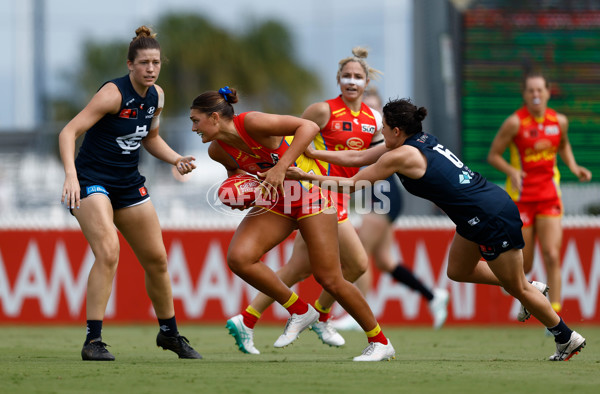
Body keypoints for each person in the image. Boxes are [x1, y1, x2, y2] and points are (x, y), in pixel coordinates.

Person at [287, 98, 586, 361]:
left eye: (383, 128)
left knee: (515, 286)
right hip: (477, 212)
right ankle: (532, 288)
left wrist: (306, 176)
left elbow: (354, 183)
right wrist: (315, 155)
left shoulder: (400, 155)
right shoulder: (418, 140)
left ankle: (565, 336)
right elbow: (357, 157)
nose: (379, 132)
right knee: (458, 270)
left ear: (395, 131)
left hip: (487, 214)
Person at [190, 86, 395, 361]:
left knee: (330, 278)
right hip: (278, 201)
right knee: (239, 258)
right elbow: (238, 174)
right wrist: (241, 192)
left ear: (215, 117)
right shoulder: (217, 150)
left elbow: (308, 126)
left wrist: (281, 166)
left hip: (311, 193)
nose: (193, 128)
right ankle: (300, 310)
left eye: (195, 120)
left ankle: (380, 341)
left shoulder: (252, 122)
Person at [225, 47, 385, 354]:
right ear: (338, 79)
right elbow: (291, 140)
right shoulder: (323, 110)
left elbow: (371, 156)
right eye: (346, 76)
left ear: (366, 82)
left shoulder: (373, 118)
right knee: (356, 264)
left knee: (299, 267)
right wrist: (285, 172)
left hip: (339, 193)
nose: (351, 81)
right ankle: (320, 318)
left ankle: (248, 319)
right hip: (316, 193)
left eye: (358, 76)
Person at [59, 26, 201, 361]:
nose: (151, 68)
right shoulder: (112, 94)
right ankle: (93, 341)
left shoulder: (157, 96)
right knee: (108, 251)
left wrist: (177, 158)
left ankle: (169, 334)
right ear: (130, 65)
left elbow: (150, 138)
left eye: (156, 62)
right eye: (144, 63)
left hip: (127, 183)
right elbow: (69, 132)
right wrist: (70, 176)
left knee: (158, 259)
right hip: (91, 180)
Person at [332, 88, 449, 331]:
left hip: (384, 198)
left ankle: (358, 314)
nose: (373, 116)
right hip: (380, 197)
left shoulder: (386, 135)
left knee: (359, 254)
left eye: (376, 110)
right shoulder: (366, 129)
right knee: (385, 261)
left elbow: (359, 161)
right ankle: (433, 296)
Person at [487, 72, 592, 315]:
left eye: (539, 90)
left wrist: (575, 168)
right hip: (522, 199)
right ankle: (528, 297)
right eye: (531, 91)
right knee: (525, 261)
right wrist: (511, 170)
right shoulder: (515, 123)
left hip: (549, 197)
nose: (536, 95)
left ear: (547, 92)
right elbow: (493, 155)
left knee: (553, 254)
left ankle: (553, 310)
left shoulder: (559, 121)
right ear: (524, 94)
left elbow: (563, 144)